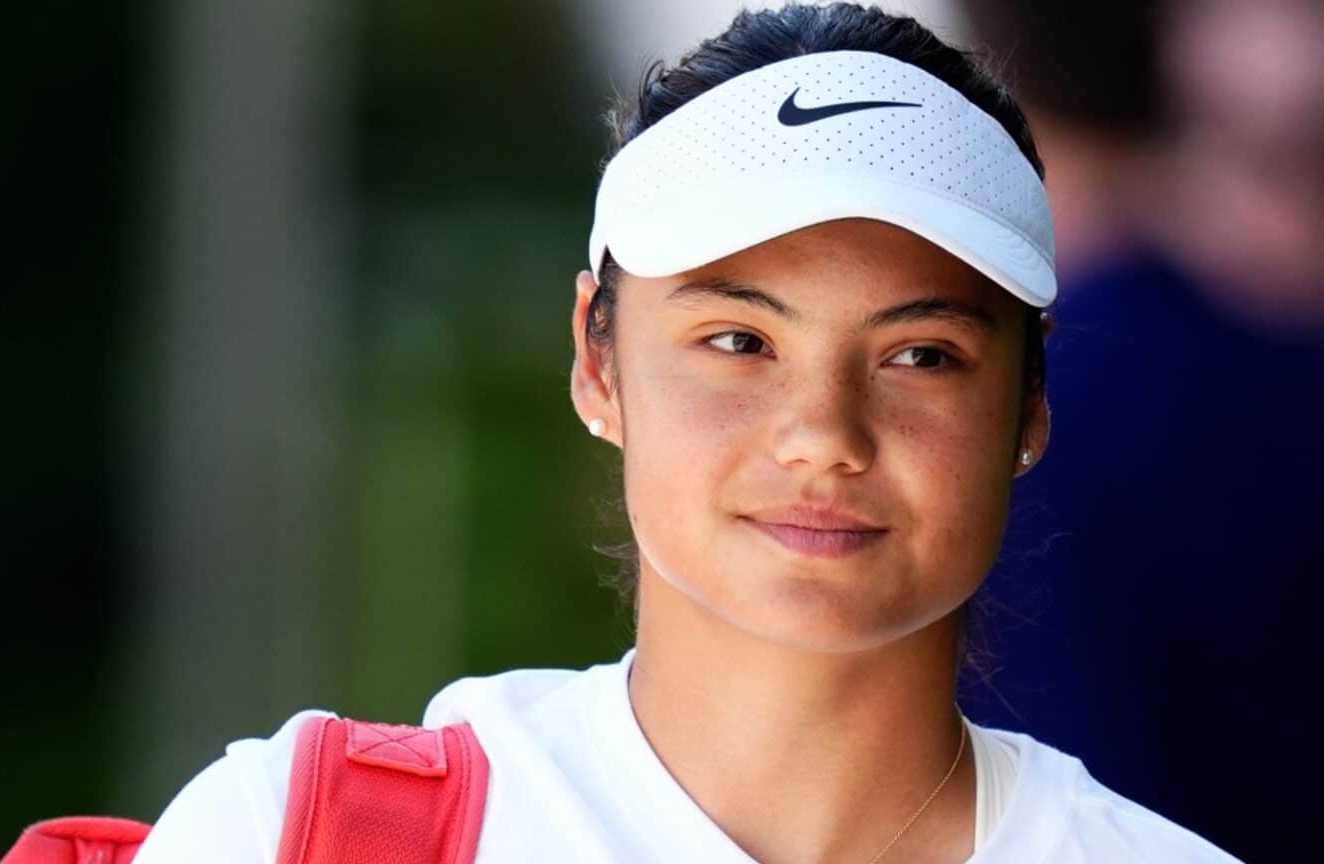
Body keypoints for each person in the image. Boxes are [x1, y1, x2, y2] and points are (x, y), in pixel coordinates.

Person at [129, 5, 1241, 862]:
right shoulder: (294, 834)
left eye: (921, 355)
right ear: (596, 361)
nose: (823, 435)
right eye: (738, 341)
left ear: (1030, 400)